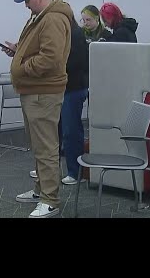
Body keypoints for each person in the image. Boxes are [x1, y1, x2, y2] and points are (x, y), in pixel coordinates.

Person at [2, 0, 72, 218]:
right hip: (34, 90)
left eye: (27, 0)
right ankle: (41, 190)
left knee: (46, 148)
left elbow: (50, 58)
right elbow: (40, 49)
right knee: (39, 146)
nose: (25, 5)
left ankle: (50, 200)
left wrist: (22, 67)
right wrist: (18, 49)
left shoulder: (52, 18)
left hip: (44, 91)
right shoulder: (42, 16)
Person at [58, 14, 89, 185]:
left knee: (71, 131)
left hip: (73, 87)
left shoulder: (75, 34)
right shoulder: (66, 32)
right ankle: (56, 168)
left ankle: (75, 172)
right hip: (65, 87)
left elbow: (76, 63)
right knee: (60, 130)